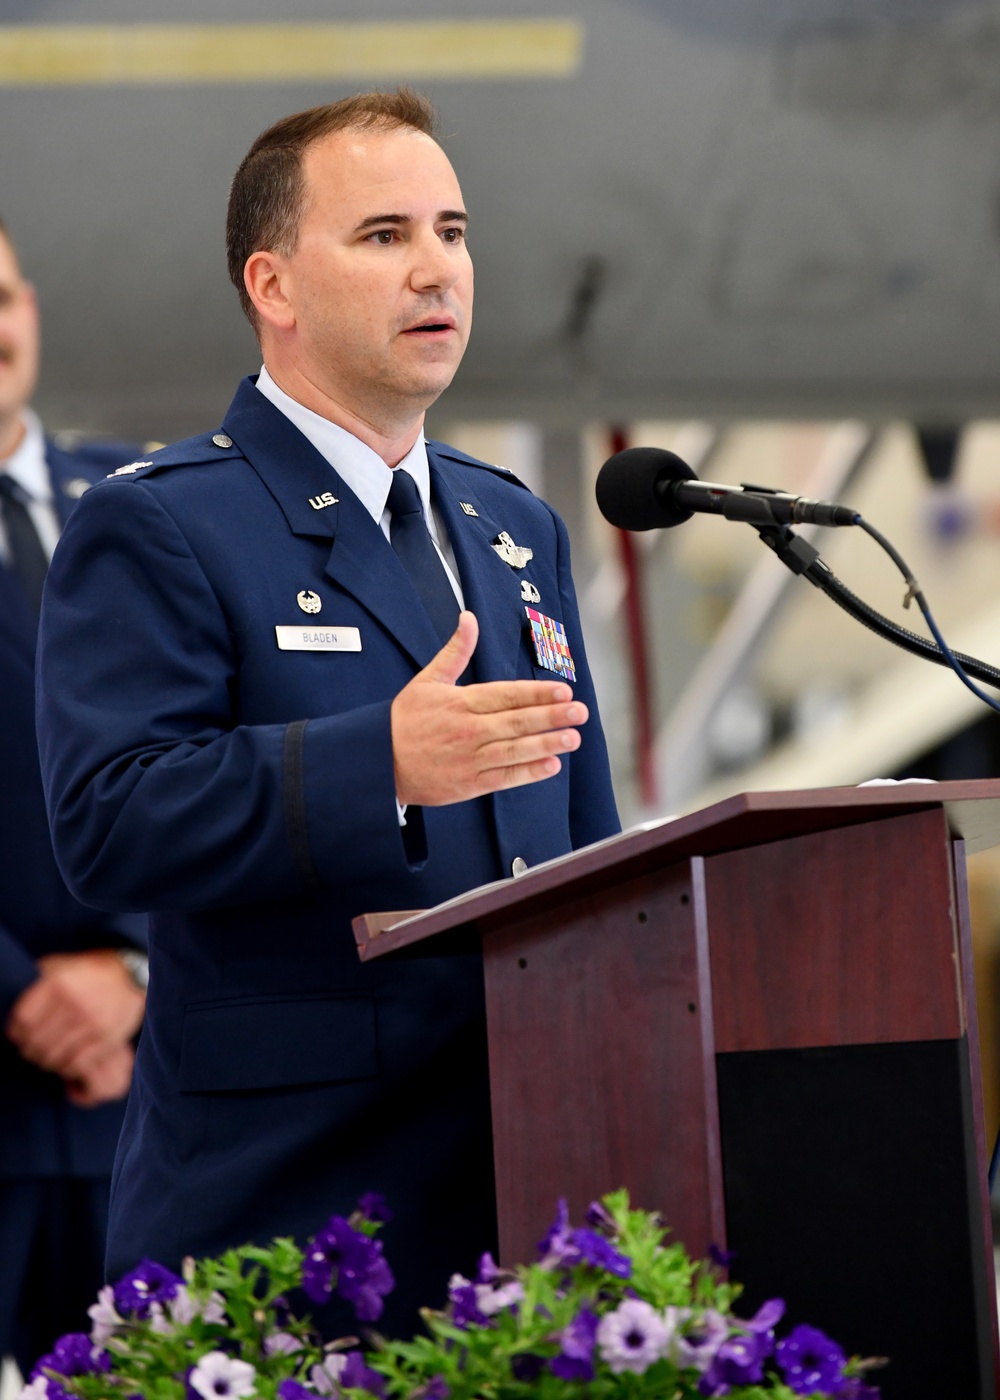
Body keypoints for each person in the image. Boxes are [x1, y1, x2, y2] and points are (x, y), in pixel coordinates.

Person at [36, 89, 619, 1331]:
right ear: (275, 285)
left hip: (526, 1186)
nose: (435, 269)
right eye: (384, 235)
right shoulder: (162, 520)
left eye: (453, 232)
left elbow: (589, 848)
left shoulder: (516, 526)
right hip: (291, 1210)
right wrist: (381, 767)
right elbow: (109, 820)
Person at [0, 218, 147, 1376]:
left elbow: (218, 751)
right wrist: (23, 995)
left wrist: (134, 971)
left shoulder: (144, 502)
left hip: (142, 1100)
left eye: (1, 297)